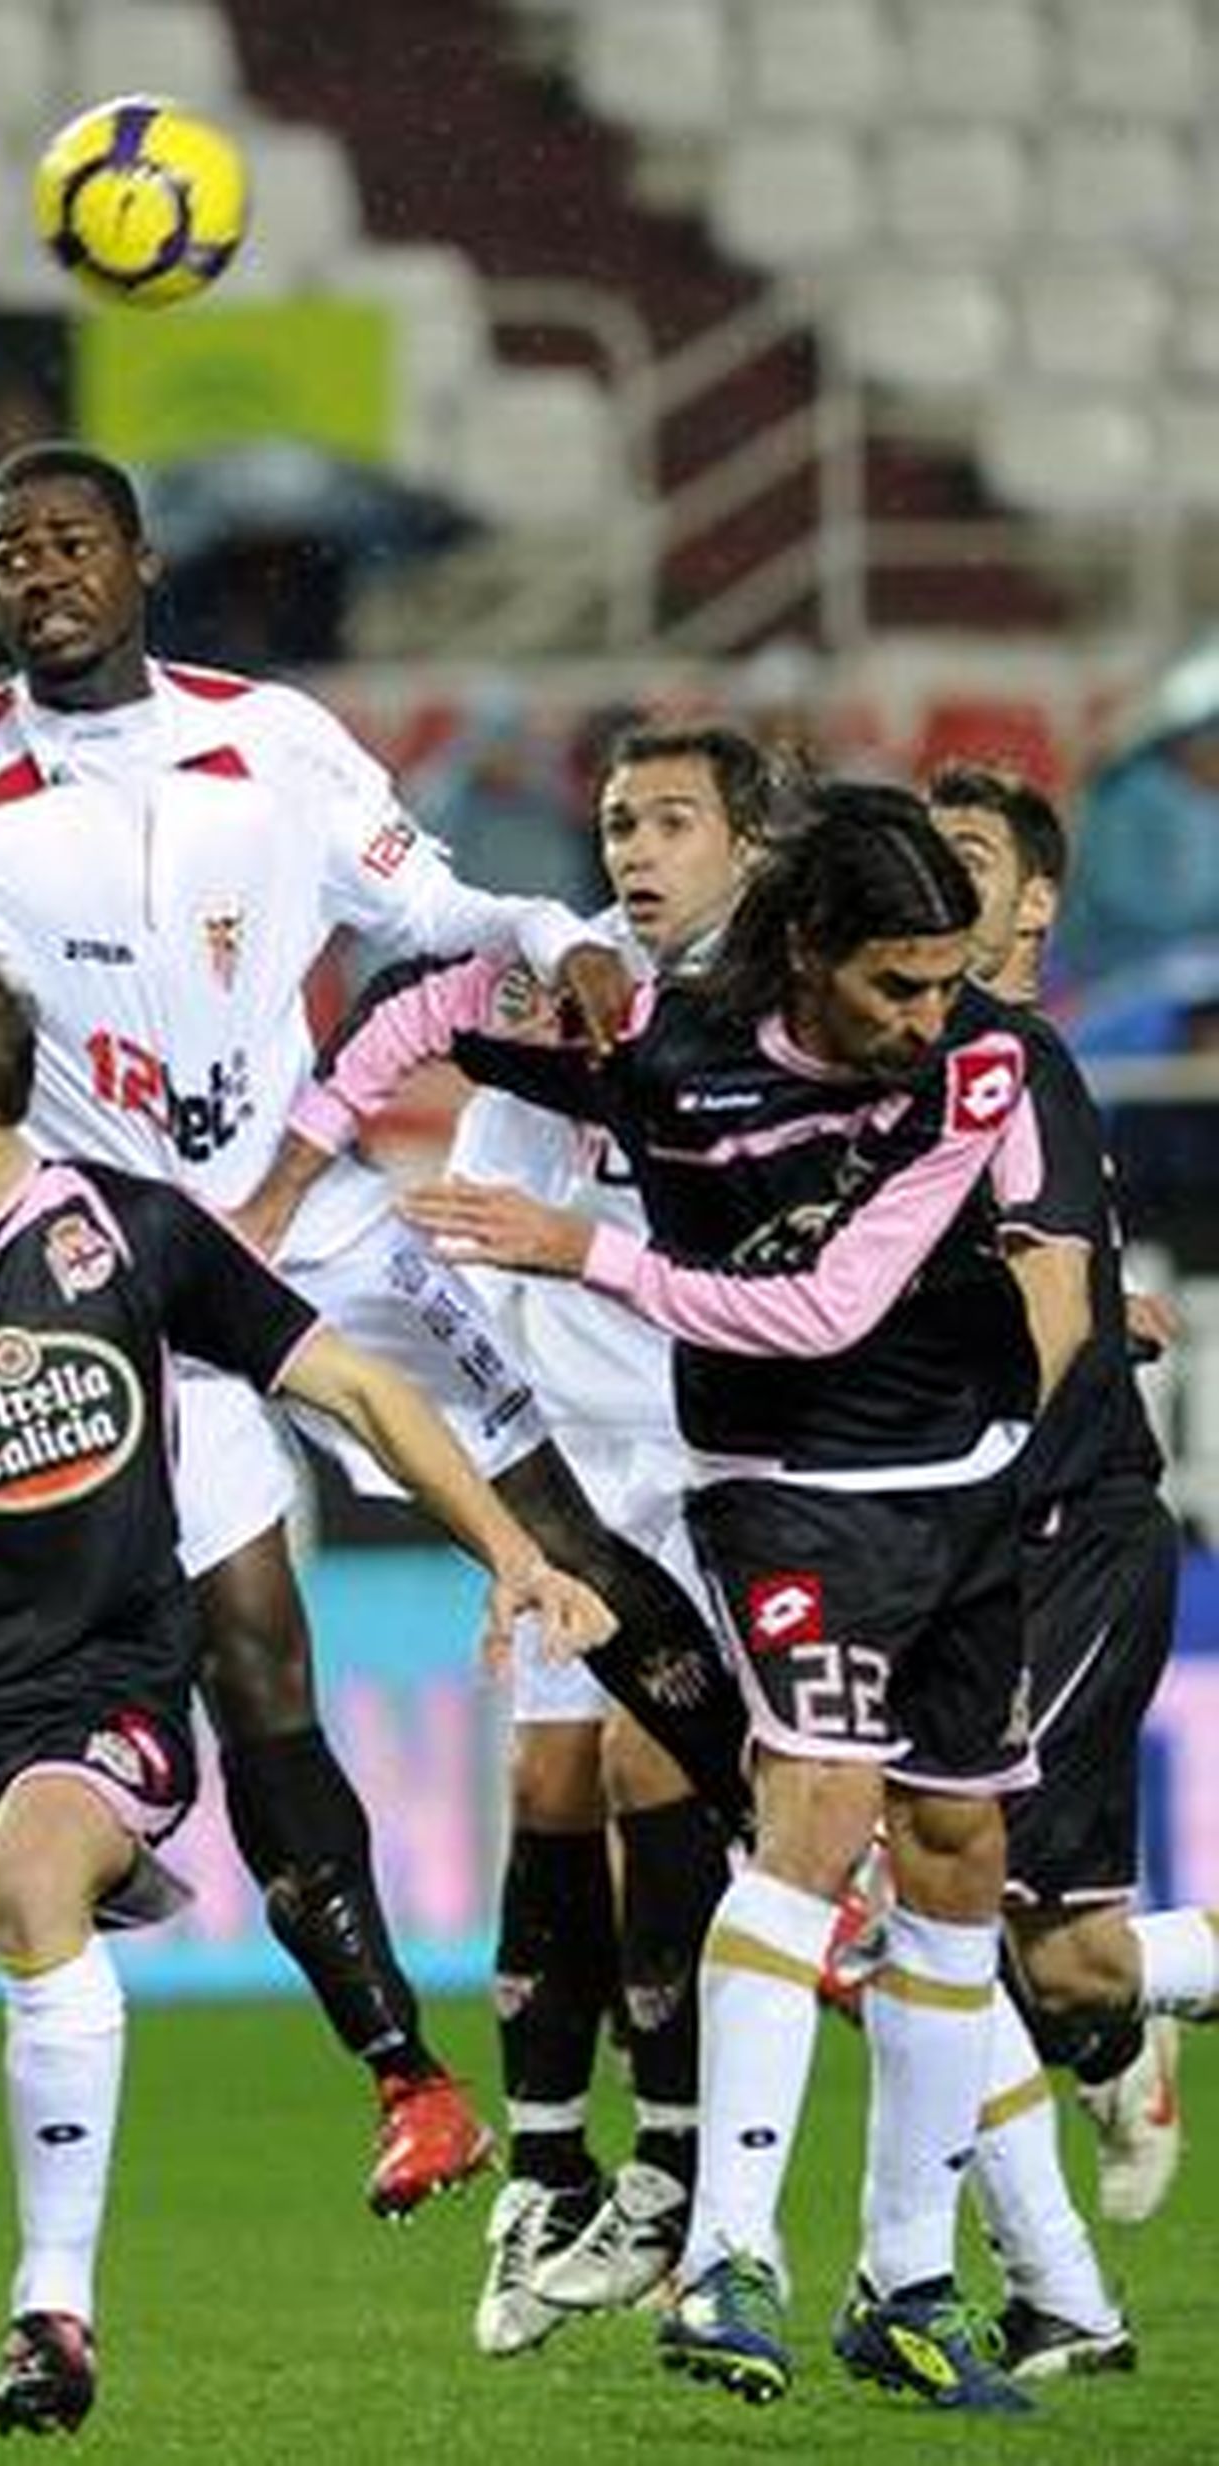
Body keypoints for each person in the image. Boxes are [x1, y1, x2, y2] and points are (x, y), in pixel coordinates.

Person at [0, 440, 740, 2222]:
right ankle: (410, 2077)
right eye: (13, 553)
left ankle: (778, 1844)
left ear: (143, 562)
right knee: (255, 1666)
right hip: (122, 1280)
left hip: (327, 1220)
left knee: (559, 1531)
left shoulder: (276, 741)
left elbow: (433, 913)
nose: (46, 570)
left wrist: (556, 928)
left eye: (76, 540)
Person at [0, 944, 613, 2466]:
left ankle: (51, 2304)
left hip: (102, 1692)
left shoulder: (131, 1229)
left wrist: (512, 1553)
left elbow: (357, 1389)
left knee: (33, 1863)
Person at [277, 785, 1051, 2412]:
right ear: (818, 952)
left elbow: (834, 1300)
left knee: (961, 1854)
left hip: (961, 1489)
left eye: (944, 978)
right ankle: (717, 2255)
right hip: (779, 1490)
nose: (935, 1013)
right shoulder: (669, 1054)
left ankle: (906, 2274)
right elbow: (428, 1002)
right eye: (899, 984)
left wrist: (586, 1252)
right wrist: (290, 1165)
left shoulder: (974, 1061)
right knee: (806, 1811)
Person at [433, 726, 771, 2355]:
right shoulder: (541, 1011)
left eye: (673, 822)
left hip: (705, 1457)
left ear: (748, 842)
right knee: (549, 1785)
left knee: (657, 1778)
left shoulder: (777, 1018)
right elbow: (470, 1242)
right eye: (620, 820)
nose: (636, 850)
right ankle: (551, 2171)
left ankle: (680, 2171)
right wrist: (506, 1511)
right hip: (570, 1469)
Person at [931, 768, 1191, 2257]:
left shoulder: (1020, 1061)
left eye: (968, 856)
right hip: (972, 1549)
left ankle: (1015, 2277)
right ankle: (1120, 2046)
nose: (933, 875)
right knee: (1072, 1963)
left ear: (1036, 903)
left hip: (1068, 1534)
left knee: (943, 1893)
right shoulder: (940, 1071)